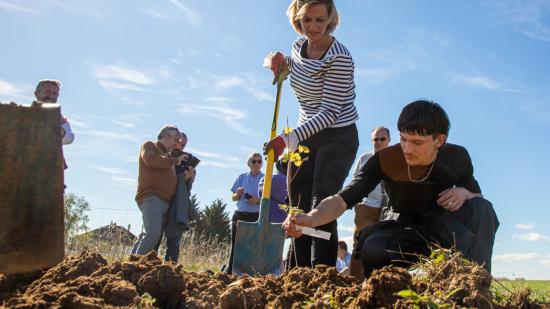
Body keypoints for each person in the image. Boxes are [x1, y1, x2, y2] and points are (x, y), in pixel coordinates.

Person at [283, 100, 499, 277]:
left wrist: (465, 192)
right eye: (403, 139)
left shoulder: (457, 157)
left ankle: (476, 287)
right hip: (402, 227)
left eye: (417, 142)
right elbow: (342, 199)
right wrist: (311, 218)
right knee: (372, 248)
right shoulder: (385, 159)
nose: (407, 149)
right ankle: (382, 293)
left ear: (439, 140)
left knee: (482, 208)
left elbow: (478, 198)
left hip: (441, 226)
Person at [264, 0, 359, 269]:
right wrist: (280, 63)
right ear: (298, 18)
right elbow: (297, 70)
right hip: (306, 134)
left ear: (330, 19)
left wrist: (288, 139)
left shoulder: (339, 57)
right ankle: (298, 271)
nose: (314, 27)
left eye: (320, 20)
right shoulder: (298, 47)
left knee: (321, 204)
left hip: (338, 135)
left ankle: (321, 272)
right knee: (298, 203)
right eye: (307, 20)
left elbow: (329, 112)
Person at [134, 125, 185, 255]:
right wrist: (173, 161)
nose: (177, 145)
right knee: (153, 234)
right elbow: (150, 160)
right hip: (152, 197)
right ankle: (134, 268)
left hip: (164, 201)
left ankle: (129, 264)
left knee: (148, 234)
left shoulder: (168, 157)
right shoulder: (150, 146)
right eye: (176, 140)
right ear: (167, 136)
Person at [349, 126, 391, 279]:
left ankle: (379, 281)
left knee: (384, 245)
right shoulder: (364, 158)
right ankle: (354, 282)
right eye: (375, 139)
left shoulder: (396, 158)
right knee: (360, 244)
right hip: (366, 207)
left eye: (382, 139)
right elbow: (355, 181)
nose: (378, 142)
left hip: (387, 208)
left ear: (389, 140)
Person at [225, 153, 264, 274]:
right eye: (254, 161)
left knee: (254, 247)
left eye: (259, 161)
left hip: (256, 216)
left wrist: (257, 200)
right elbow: (233, 198)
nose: (257, 164)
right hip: (240, 215)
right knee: (236, 246)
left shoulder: (266, 179)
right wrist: (238, 194)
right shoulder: (241, 177)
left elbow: (269, 200)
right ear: (248, 164)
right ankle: (230, 273)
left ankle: (251, 274)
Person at [162, 131, 196, 263]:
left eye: (183, 145)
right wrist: (181, 177)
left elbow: (187, 189)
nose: (180, 147)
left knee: (174, 241)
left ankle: (170, 270)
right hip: (162, 199)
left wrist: (189, 178)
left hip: (178, 202)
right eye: (178, 143)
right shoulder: (163, 156)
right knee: (154, 236)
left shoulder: (187, 159)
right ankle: (147, 267)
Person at [32, 79, 74, 146]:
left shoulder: (59, 117)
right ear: (37, 93)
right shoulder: (24, 113)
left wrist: (59, 130)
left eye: (55, 93)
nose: (51, 96)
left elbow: (69, 138)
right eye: (47, 92)